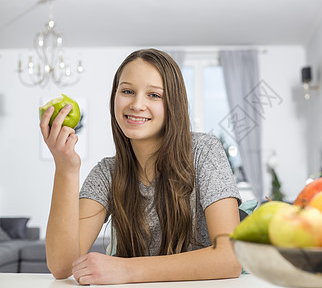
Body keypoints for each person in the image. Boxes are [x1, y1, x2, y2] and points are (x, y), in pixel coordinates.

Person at [40, 48, 242, 285]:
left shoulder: (204, 151)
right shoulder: (107, 173)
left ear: (173, 104)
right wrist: (66, 169)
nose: (137, 104)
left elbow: (231, 258)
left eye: (154, 95)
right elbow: (62, 266)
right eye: (127, 91)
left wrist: (126, 270)